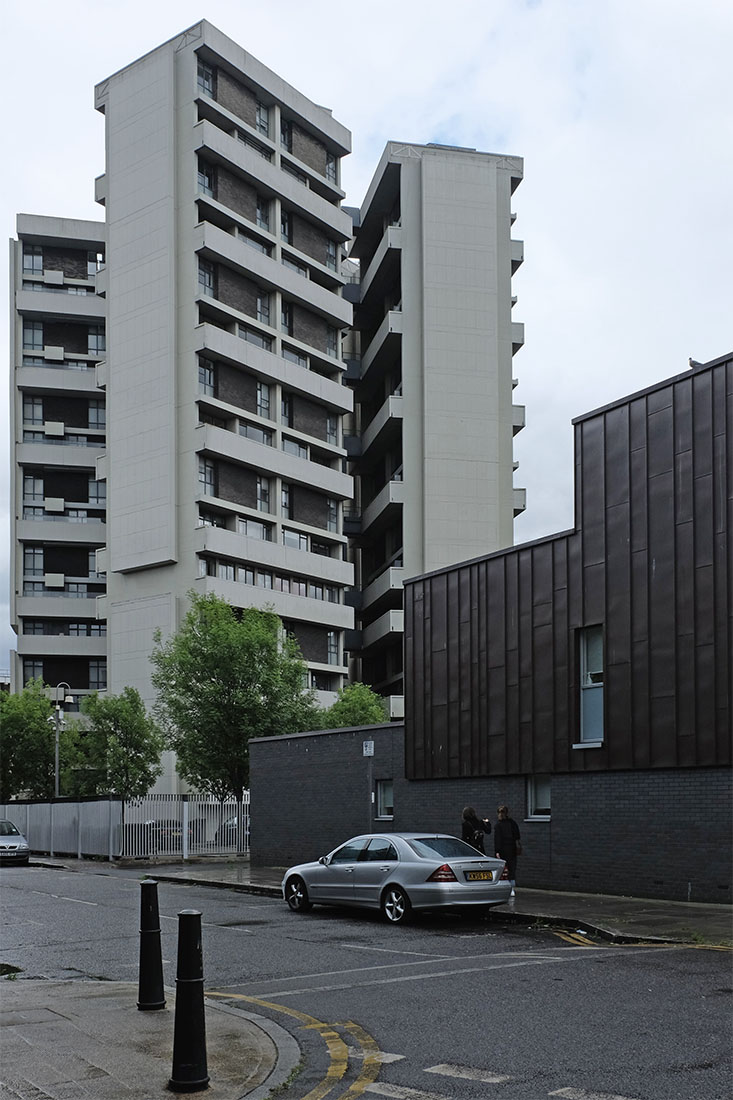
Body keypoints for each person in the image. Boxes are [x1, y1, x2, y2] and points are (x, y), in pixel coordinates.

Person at [494, 804, 521, 895]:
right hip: (512, 849)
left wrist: (497, 851)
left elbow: (497, 839)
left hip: (503, 850)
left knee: (503, 869)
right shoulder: (513, 823)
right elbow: (517, 836)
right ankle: (512, 889)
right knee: (512, 869)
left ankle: (504, 888)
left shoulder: (498, 825)